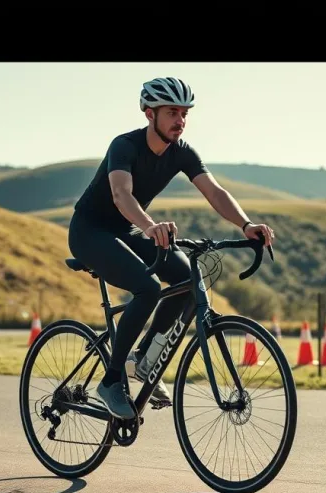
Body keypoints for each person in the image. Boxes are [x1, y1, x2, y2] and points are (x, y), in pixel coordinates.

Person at [67, 76, 276, 420]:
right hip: (90, 231)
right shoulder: (125, 145)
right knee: (147, 288)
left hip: (127, 229)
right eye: (172, 112)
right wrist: (150, 227)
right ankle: (113, 380)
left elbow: (215, 192)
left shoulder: (182, 153)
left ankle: (144, 358)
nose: (180, 120)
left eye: (184, 113)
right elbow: (121, 194)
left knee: (184, 278)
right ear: (150, 113)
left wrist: (246, 224)